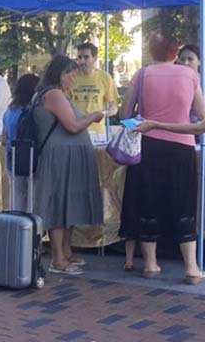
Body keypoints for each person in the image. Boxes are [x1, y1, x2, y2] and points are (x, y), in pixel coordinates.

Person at [119, 32, 205, 284]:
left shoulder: (142, 74)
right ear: (174, 52)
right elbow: (202, 122)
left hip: (149, 147)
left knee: (149, 202)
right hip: (182, 148)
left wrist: (150, 120)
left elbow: (125, 114)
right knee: (185, 203)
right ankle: (190, 267)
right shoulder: (190, 75)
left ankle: (150, 264)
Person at [33, 55, 104, 275]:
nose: (74, 77)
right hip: (60, 157)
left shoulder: (58, 94)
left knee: (69, 205)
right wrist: (94, 115)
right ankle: (58, 259)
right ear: (59, 74)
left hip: (69, 156)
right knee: (58, 206)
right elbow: (73, 126)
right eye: (70, 73)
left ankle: (66, 252)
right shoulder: (53, 94)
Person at [0, 73, 39, 210]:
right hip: (31, 159)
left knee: (17, 197)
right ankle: (34, 228)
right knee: (34, 198)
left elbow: (3, 139)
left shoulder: (9, 111)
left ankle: (18, 226)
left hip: (13, 159)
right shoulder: (32, 112)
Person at [71, 42, 119, 138]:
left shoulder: (105, 77)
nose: (82, 61)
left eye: (86, 57)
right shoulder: (71, 77)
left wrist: (103, 114)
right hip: (75, 130)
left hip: (97, 133)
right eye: (79, 57)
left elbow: (114, 108)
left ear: (95, 58)